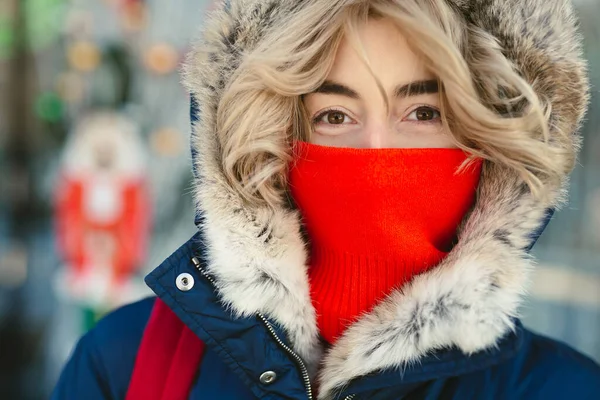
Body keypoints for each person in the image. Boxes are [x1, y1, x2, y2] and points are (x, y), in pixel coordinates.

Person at [52, 0, 600, 399]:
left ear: (488, 140)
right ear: (276, 138)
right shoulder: (123, 363)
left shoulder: (566, 390)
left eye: (424, 113)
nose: (376, 150)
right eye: (334, 116)